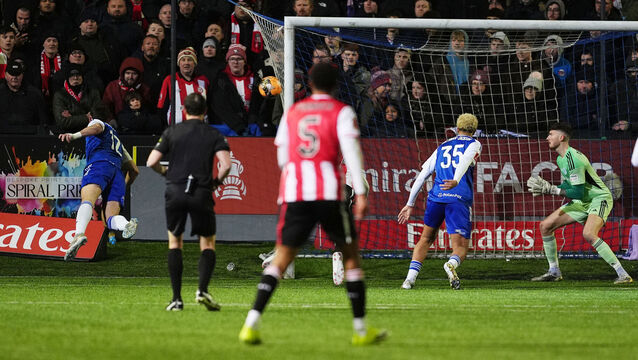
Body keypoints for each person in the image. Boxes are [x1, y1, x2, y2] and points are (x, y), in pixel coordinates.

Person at [238, 62, 387, 346]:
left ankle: (251, 324)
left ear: (310, 83)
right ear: (335, 85)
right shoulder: (341, 112)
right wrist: (363, 192)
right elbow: (352, 153)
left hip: (295, 192)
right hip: (329, 192)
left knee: (281, 259)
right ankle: (360, 330)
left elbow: (282, 155)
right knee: (351, 255)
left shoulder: (293, 111)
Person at [146, 92, 232, 312]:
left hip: (175, 190)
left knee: (175, 243)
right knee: (208, 243)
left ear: (184, 110)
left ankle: (176, 299)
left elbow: (151, 161)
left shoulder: (172, 131)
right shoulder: (213, 134)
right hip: (201, 191)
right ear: (205, 111)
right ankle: (202, 290)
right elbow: (226, 165)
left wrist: (166, 173)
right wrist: (215, 183)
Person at [526, 123, 633, 284]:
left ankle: (623, 274)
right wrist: (551, 187)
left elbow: (577, 192)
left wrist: (552, 190)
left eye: (551, 134)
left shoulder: (573, 158)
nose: (547, 138)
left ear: (561, 137)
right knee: (545, 226)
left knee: (588, 234)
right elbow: (572, 186)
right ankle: (554, 271)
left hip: (599, 198)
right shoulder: (561, 159)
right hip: (582, 201)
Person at [398, 113, 482, 290]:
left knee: (426, 238)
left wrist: (409, 203)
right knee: (461, 245)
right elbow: (466, 161)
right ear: (474, 130)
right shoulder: (475, 144)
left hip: (436, 197)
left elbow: (422, 176)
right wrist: (457, 180)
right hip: (458, 197)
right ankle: (450, 264)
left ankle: (409, 280)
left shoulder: (443, 145)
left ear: (456, 128)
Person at [58, 117, 139, 261]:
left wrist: (74, 135)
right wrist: (123, 187)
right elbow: (134, 170)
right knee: (110, 218)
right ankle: (126, 224)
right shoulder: (118, 143)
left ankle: (79, 234)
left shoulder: (98, 123)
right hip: (118, 174)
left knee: (87, 200)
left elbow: (96, 128)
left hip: (100, 164)